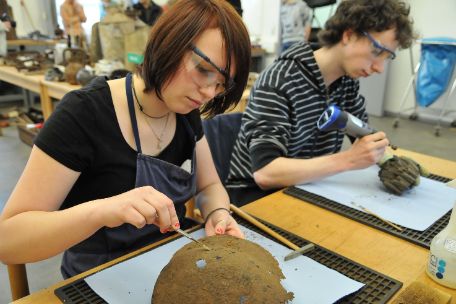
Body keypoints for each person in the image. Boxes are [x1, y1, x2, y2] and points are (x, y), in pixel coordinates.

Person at [0, 0, 251, 278]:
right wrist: (103, 210)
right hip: (98, 276)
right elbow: (8, 240)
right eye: (204, 70)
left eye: (220, 84)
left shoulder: (184, 109)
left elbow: (210, 184)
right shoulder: (84, 113)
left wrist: (217, 214)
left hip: (168, 265)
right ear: (169, 42)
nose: (208, 92)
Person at [226, 0, 416, 206]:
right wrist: (349, 160)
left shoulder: (347, 82)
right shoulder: (280, 80)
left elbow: (364, 138)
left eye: (387, 58)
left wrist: (388, 161)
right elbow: (266, 173)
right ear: (349, 34)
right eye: (377, 51)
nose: (380, 67)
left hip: (308, 188)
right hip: (256, 200)